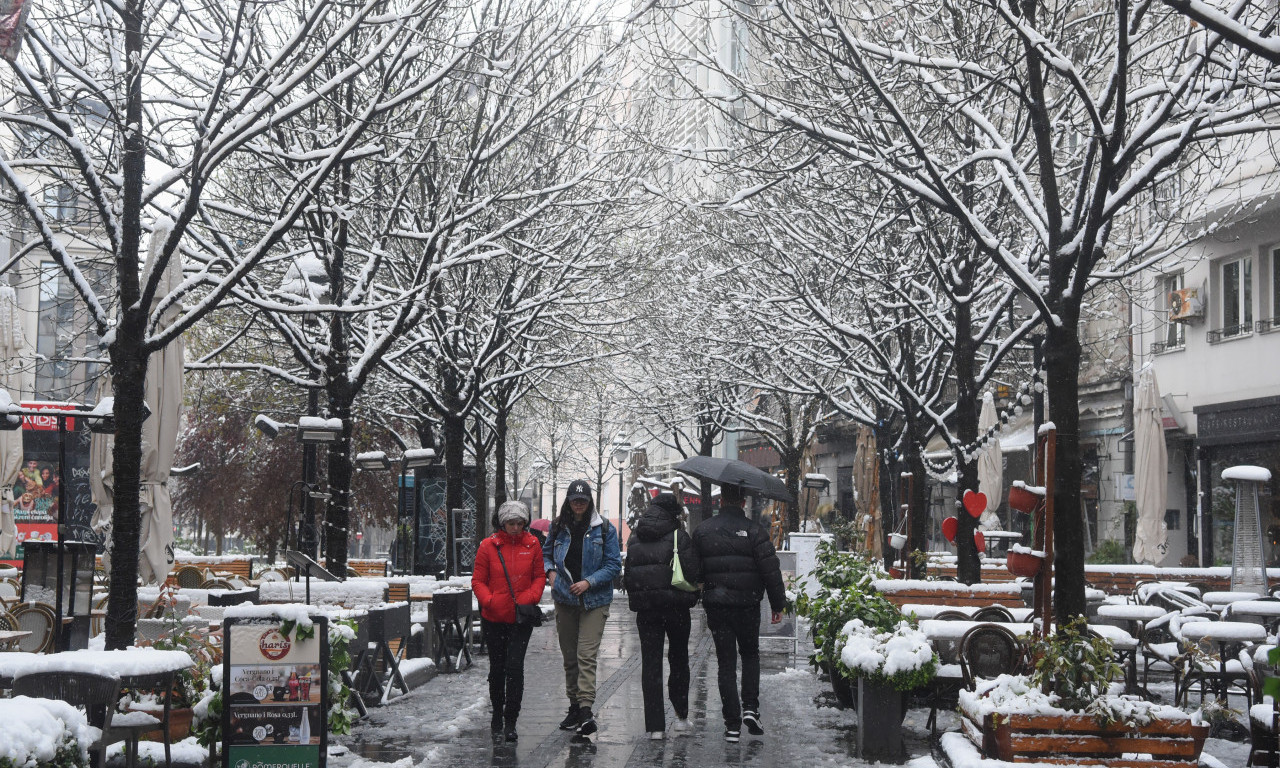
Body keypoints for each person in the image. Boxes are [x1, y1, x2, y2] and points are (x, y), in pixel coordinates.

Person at [693, 482, 786, 743]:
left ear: (721, 500)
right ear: (743, 502)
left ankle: (731, 724)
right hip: (747, 605)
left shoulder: (703, 531)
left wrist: (705, 587)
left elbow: (695, 570)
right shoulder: (755, 531)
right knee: (750, 655)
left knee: (725, 662)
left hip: (718, 605)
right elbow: (771, 570)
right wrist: (778, 604)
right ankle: (750, 708)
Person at [543, 478, 621, 738]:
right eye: (575, 500)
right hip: (565, 599)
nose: (579, 504)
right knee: (569, 657)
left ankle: (586, 709)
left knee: (585, 654)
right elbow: (546, 555)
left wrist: (589, 582)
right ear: (568, 501)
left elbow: (613, 566)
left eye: (583, 500)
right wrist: (550, 572)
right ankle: (575, 706)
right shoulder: (557, 527)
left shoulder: (605, 529)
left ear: (590, 502)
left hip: (595, 601)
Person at [623, 492, 700, 740]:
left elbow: (629, 576)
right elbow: (693, 570)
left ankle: (655, 726)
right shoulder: (679, 535)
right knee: (679, 660)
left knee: (651, 664)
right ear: (674, 513)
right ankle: (681, 718)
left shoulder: (635, 537)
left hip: (647, 611)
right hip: (676, 608)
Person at [472, 500, 546, 743]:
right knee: (497, 668)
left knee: (515, 669)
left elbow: (539, 577)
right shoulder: (487, 546)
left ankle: (511, 719)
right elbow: (478, 580)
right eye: (511, 523)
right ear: (502, 523)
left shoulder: (533, 544)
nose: (515, 527)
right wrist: (489, 600)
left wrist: (530, 597)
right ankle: (497, 714)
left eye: (519, 523)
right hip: (494, 617)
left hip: (520, 617)